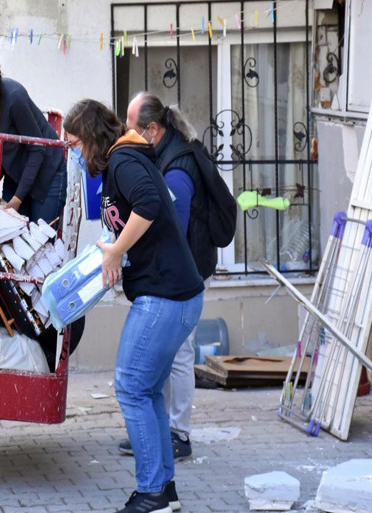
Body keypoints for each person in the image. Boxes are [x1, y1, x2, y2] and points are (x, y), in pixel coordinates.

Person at [63, 99, 204, 513]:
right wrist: (113, 255)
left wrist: (115, 251)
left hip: (167, 295)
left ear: (90, 138)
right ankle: (164, 489)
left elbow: (150, 205)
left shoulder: (123, 159)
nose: (74, 153)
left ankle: (152, 493)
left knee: (129, 385)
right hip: (169, 292)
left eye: (74, 144)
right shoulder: (121, 159)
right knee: (146, 392)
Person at [117, 92, 213, 463]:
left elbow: (173, 225)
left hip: (188, 274)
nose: (127, 134)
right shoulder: (164, 154)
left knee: (179, 355)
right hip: (181, 273)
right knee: (161, 364)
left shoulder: (176, 169)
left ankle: (179, 434)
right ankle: (156, 433)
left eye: (132, 128)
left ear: (152, 130)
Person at [0, 47, 66, 224]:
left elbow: (37, 150)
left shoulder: (14, 97)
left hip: (47, 173)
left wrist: (17, 199)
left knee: (40, 242)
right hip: (16, 175)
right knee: (7, 240)